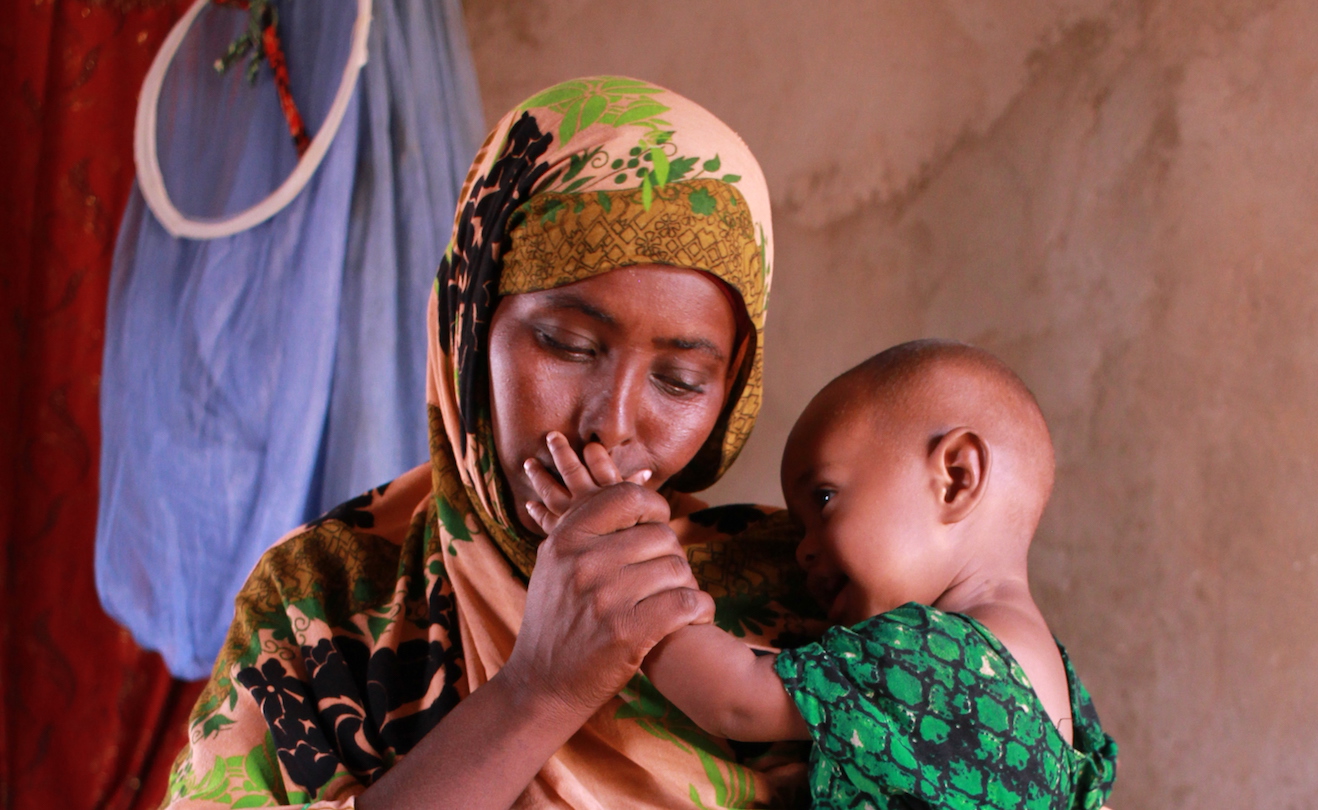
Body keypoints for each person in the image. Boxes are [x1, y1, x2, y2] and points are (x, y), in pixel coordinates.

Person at [161, 77, 823, 809]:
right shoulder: (324, 598)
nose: (611, 423)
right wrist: (537, 689)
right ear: (468, 325)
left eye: (679, 381)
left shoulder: (805, 588)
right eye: (565, 344)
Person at [525, 340, 1119, 809]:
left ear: (956, 478)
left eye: (826, 498)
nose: (803, 549)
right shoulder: (1056, 682)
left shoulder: (936, 654)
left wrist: (618, 558)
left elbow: (734, 701)